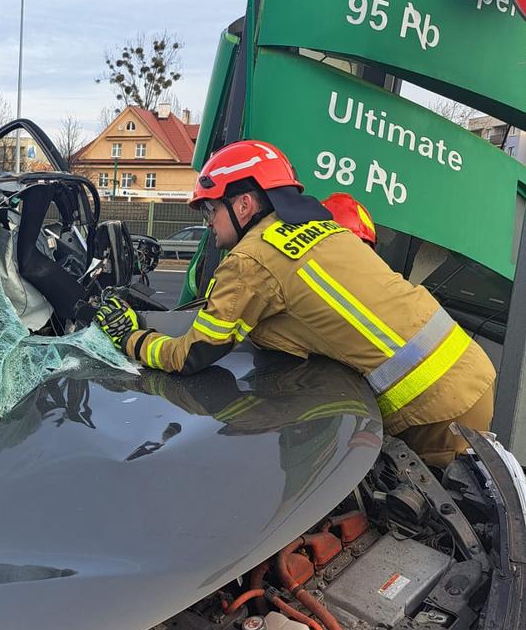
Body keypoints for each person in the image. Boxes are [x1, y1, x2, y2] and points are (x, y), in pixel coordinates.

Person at [95, 140, 496, 467]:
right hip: (466, 369)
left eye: (212, 209)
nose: (208, 222)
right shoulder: (320, 228)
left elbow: (192, 356)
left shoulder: (252, 259)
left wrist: (130, 337)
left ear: (244, 205)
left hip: (435, 406)